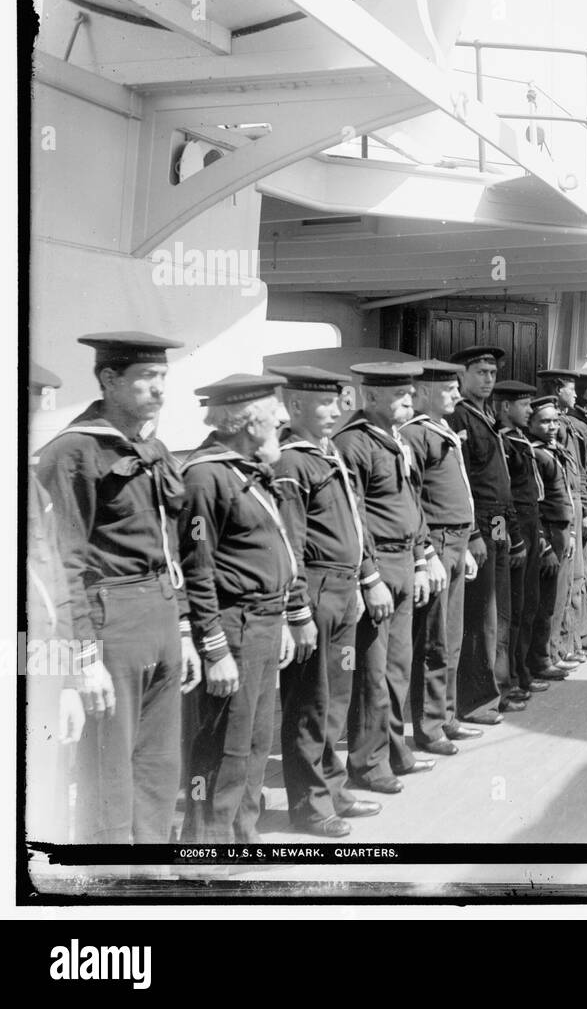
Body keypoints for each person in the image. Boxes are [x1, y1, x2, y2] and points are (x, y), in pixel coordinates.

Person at [37, 331, 201, 843]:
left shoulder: (150, 447)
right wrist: (83, 659)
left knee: (158, 766)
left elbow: (171, 544)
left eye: (163, 379)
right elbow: (66, 562)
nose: (159, 390)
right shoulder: (72, 452)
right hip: (112, 618)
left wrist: (183, 627)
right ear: (109, 380)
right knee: (108, 776)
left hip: (159, 610)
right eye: (146, 378)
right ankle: (108, 885)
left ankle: (149, 877)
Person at [180, 374, 297, 843]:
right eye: (275, 413)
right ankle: (205, 848)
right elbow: (196, 569)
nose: (284, 419)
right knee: (224, 748)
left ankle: (242, 837)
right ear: (248, 421)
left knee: (253, 743)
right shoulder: (205, 476)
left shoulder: (244, 471)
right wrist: (214, 649)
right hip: (234, 628)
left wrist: (284, 616)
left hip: (265, 623)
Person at [271, 366, 381, 838]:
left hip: (342, 587)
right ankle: (310, 807)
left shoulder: (327, 452)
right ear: (295, 407)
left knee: (334, 700)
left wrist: (362, 578)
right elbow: (289, 545)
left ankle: (332, 788)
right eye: (325, 403)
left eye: (339, 401)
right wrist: (297, 611)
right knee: (309, 704)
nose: (337, 409)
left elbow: (354, 522)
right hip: (315, 591)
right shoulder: (291, 462)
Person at [333, 363, 435, 793]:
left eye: (410, 393)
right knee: (371, 672)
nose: (408, 400)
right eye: (397, 395)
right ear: (368, 397)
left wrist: (422, 556)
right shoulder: (353, 444)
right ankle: (368, 763)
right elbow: (354, 516)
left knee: (397, 667)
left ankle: (394, 751)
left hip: (403, 561)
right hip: (375, 567)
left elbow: (412, 501)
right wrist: (369, 576)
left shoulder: (396, 440)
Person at [401, 359, 481, 753]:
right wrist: (427, 553)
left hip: (456, 541)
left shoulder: (441, 430)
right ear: (425, 392)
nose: (456, 393)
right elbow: (410, 499)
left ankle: (447, 716)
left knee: (450, 637)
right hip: (437, 542)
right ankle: (429, 726)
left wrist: (465, 545)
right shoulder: (415, 435)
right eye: (449, 388)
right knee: (433, 640)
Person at [446, 346, 522, 724]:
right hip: (481, 523)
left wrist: (509, 533)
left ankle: (499, 687)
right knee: (482, 615)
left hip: (499, 522)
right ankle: (477, 701)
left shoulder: (486, 415)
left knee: (501, 609)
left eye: (493, 372)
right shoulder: (460, 416)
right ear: (462, 375)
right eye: (481, 372)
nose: (489, 378)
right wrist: (474, 533)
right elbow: (464, 482)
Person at [26, 363, 85, 844]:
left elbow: (59, 589)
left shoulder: (32, 484)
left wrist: (68, 681)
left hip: (39, 663)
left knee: (44, 786)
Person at [495, 379, 545, 702]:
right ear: (505, 407)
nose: (530, 410)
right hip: (515, 530)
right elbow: (503, 496)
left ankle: (522, 672)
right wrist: (513, 539)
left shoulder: (520, 440)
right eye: (525, 405)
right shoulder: (503, 441)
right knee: (510, 611)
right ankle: (508, 680)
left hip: (530, 526)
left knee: (527, 605)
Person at [526, 395, 579, 683]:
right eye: (544, 422)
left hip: (561, 530)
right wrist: (545, 543)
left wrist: (569, 532)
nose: (551, 427)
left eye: (554, 421)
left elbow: (566, 495)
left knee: (558, 597)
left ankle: (552, 652)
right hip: (546, 531)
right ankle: (539, 659)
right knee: (544, 600)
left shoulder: (554, 451)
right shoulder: (535, 455)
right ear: (531, 424)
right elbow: (533, 504)